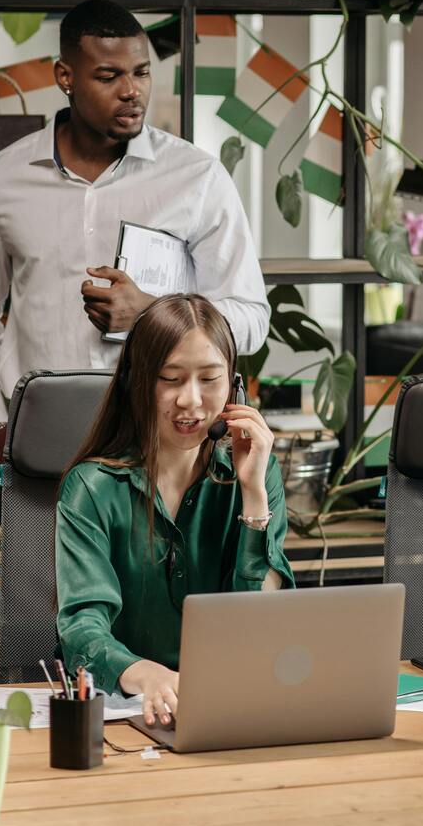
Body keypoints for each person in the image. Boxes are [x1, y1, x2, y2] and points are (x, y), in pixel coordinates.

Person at [0, 0, 269, 461]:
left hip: (164, 442)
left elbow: (252, 318)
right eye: (109, 76)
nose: (131, 91)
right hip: (42, 441)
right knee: (39, 541)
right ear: (65, 77)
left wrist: (152, 312)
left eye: (141, 73)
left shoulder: (197, 177)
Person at [55, 293, 294, 727]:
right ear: (136, 382)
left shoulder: (256, 473)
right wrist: (145, 673)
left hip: (231, 707)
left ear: (235, 388)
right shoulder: (91, 488)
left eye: (210, 379)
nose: (191, 401)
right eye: (170, 378)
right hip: (127, 711)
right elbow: (82, 627)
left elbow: (261, 626)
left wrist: (254, 495)